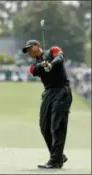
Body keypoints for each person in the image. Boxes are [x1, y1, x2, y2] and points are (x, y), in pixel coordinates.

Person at [22, 40, 73, 169]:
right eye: (26, 51)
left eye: (29, 48)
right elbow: (35, 70)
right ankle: (59, 155)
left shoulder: (53, 50)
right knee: (44, 126)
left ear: (38, 45)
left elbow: (60, 58)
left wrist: (50, 64)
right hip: (49, 93)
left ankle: (55, 160)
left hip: (62, 90)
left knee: (57, 125)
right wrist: (43, 64)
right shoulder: (34, 66)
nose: (28, 52)